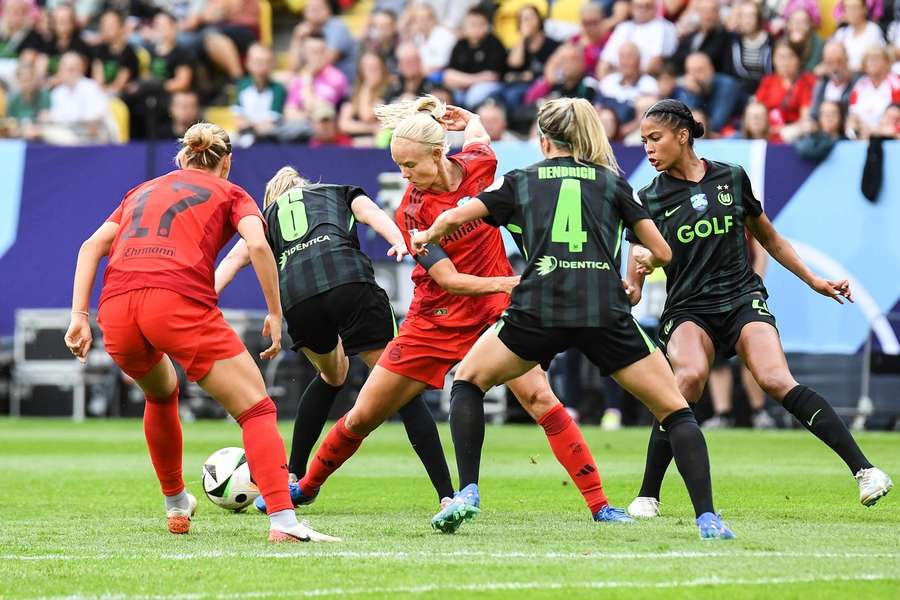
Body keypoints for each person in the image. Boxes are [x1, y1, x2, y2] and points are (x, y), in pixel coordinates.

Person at [294, 95, 623, 534]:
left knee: (539, 397)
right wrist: (513, 283)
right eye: (399, 166)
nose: (404, 176)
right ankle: (308, 485)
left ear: (438, 153)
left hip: (493, 315)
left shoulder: (478, 165)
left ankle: (600, 505)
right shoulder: (411, 210)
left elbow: (479, 135)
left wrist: (466, 117)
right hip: (434, 318)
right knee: (362, 415)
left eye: (410, 165)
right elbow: (449, 281)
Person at [410, 97, 734, 540]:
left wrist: (428, 233)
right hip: (603, 311)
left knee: (467, 381)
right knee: (676, 411)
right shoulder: (612, 182)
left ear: (543, 141)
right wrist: (639, 263)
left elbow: (459, 214)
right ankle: (708, 520)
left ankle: (467, 491)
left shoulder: (521, 180)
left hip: (537, 310)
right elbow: (662, 252)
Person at [63, 122, 337, 543]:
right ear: (226, 163)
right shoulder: (231, 193)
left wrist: (79, 315)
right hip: (174, 301)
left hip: (116, 308)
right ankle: (284, 522)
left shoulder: (141, 191)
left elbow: (89, 246)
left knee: (160, 392)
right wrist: (275, 312)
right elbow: (259, 245)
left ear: (182, 158)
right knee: (256, 409)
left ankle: (176, 502)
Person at [624, 99, 893, 519]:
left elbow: (769, 237)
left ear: (682, 135)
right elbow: (637, 266)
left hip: (741, 298)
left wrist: (814, 280)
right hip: (688, 307)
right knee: (689, 379)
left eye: (654, 139)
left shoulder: (731, 177)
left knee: (775, 378)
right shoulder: (648, 198)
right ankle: (647, 494)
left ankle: (866, 471)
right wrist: (632, 286)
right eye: (642, 142)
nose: (648, 149)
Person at [214, 166, 456, 513]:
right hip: (350, 284)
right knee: (400, 387)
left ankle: (292, 477)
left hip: (299, 299)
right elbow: (371, 213)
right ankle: (447, 494)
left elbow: (237, 259)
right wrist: (399, 242)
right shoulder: (338, 190)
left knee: (332, 376)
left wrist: (205, 298)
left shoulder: (266, 216)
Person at [91, 10, 139, 96]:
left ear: (121, 28)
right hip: (100, 95)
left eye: (110, 26)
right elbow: (98, 80)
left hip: (121, 98)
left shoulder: (129, 53)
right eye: (103, 25)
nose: (105, 29)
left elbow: (118, 86)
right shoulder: (100, 49)